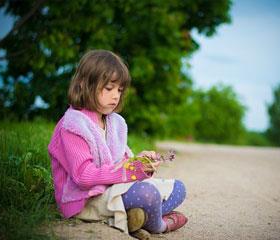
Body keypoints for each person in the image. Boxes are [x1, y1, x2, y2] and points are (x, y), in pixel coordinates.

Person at [48, 50, 188, 238]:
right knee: (148, 193)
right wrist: (130, 171)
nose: (115, 96)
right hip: (86, 199)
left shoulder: (115, 122)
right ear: (84, 84)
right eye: (108, 88)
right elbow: (83, 176)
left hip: (113, 189)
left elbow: (121, 160)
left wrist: (140, 162)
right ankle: (159, 225)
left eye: (119, 90)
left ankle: (137, 217)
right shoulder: (73, 125)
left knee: (178, 188)